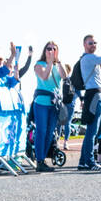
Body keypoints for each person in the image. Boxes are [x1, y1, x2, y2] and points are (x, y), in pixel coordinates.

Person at [77, 32, 101, 171]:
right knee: (92, 131)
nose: (93, 45)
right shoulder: (89, 58)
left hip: (95, 94)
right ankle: (89, 162)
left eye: (94, 43)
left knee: (91, 130)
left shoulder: (89, 58)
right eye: (90, 43)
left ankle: (83, 162)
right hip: (94, 95)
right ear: (84, 45)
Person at [32, 41, 64, 172]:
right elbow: (44, 77)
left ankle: (43, 159)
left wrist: (58, 61)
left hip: (54, 103)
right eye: (48, 49)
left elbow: (65, 76)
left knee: (50, 133)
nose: (51, 51)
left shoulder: (57, 65)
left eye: (54, 49)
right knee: (41, 131)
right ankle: (39, 160)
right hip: (41, 102)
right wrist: (50, 62)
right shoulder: (39, 65)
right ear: (44, 51)